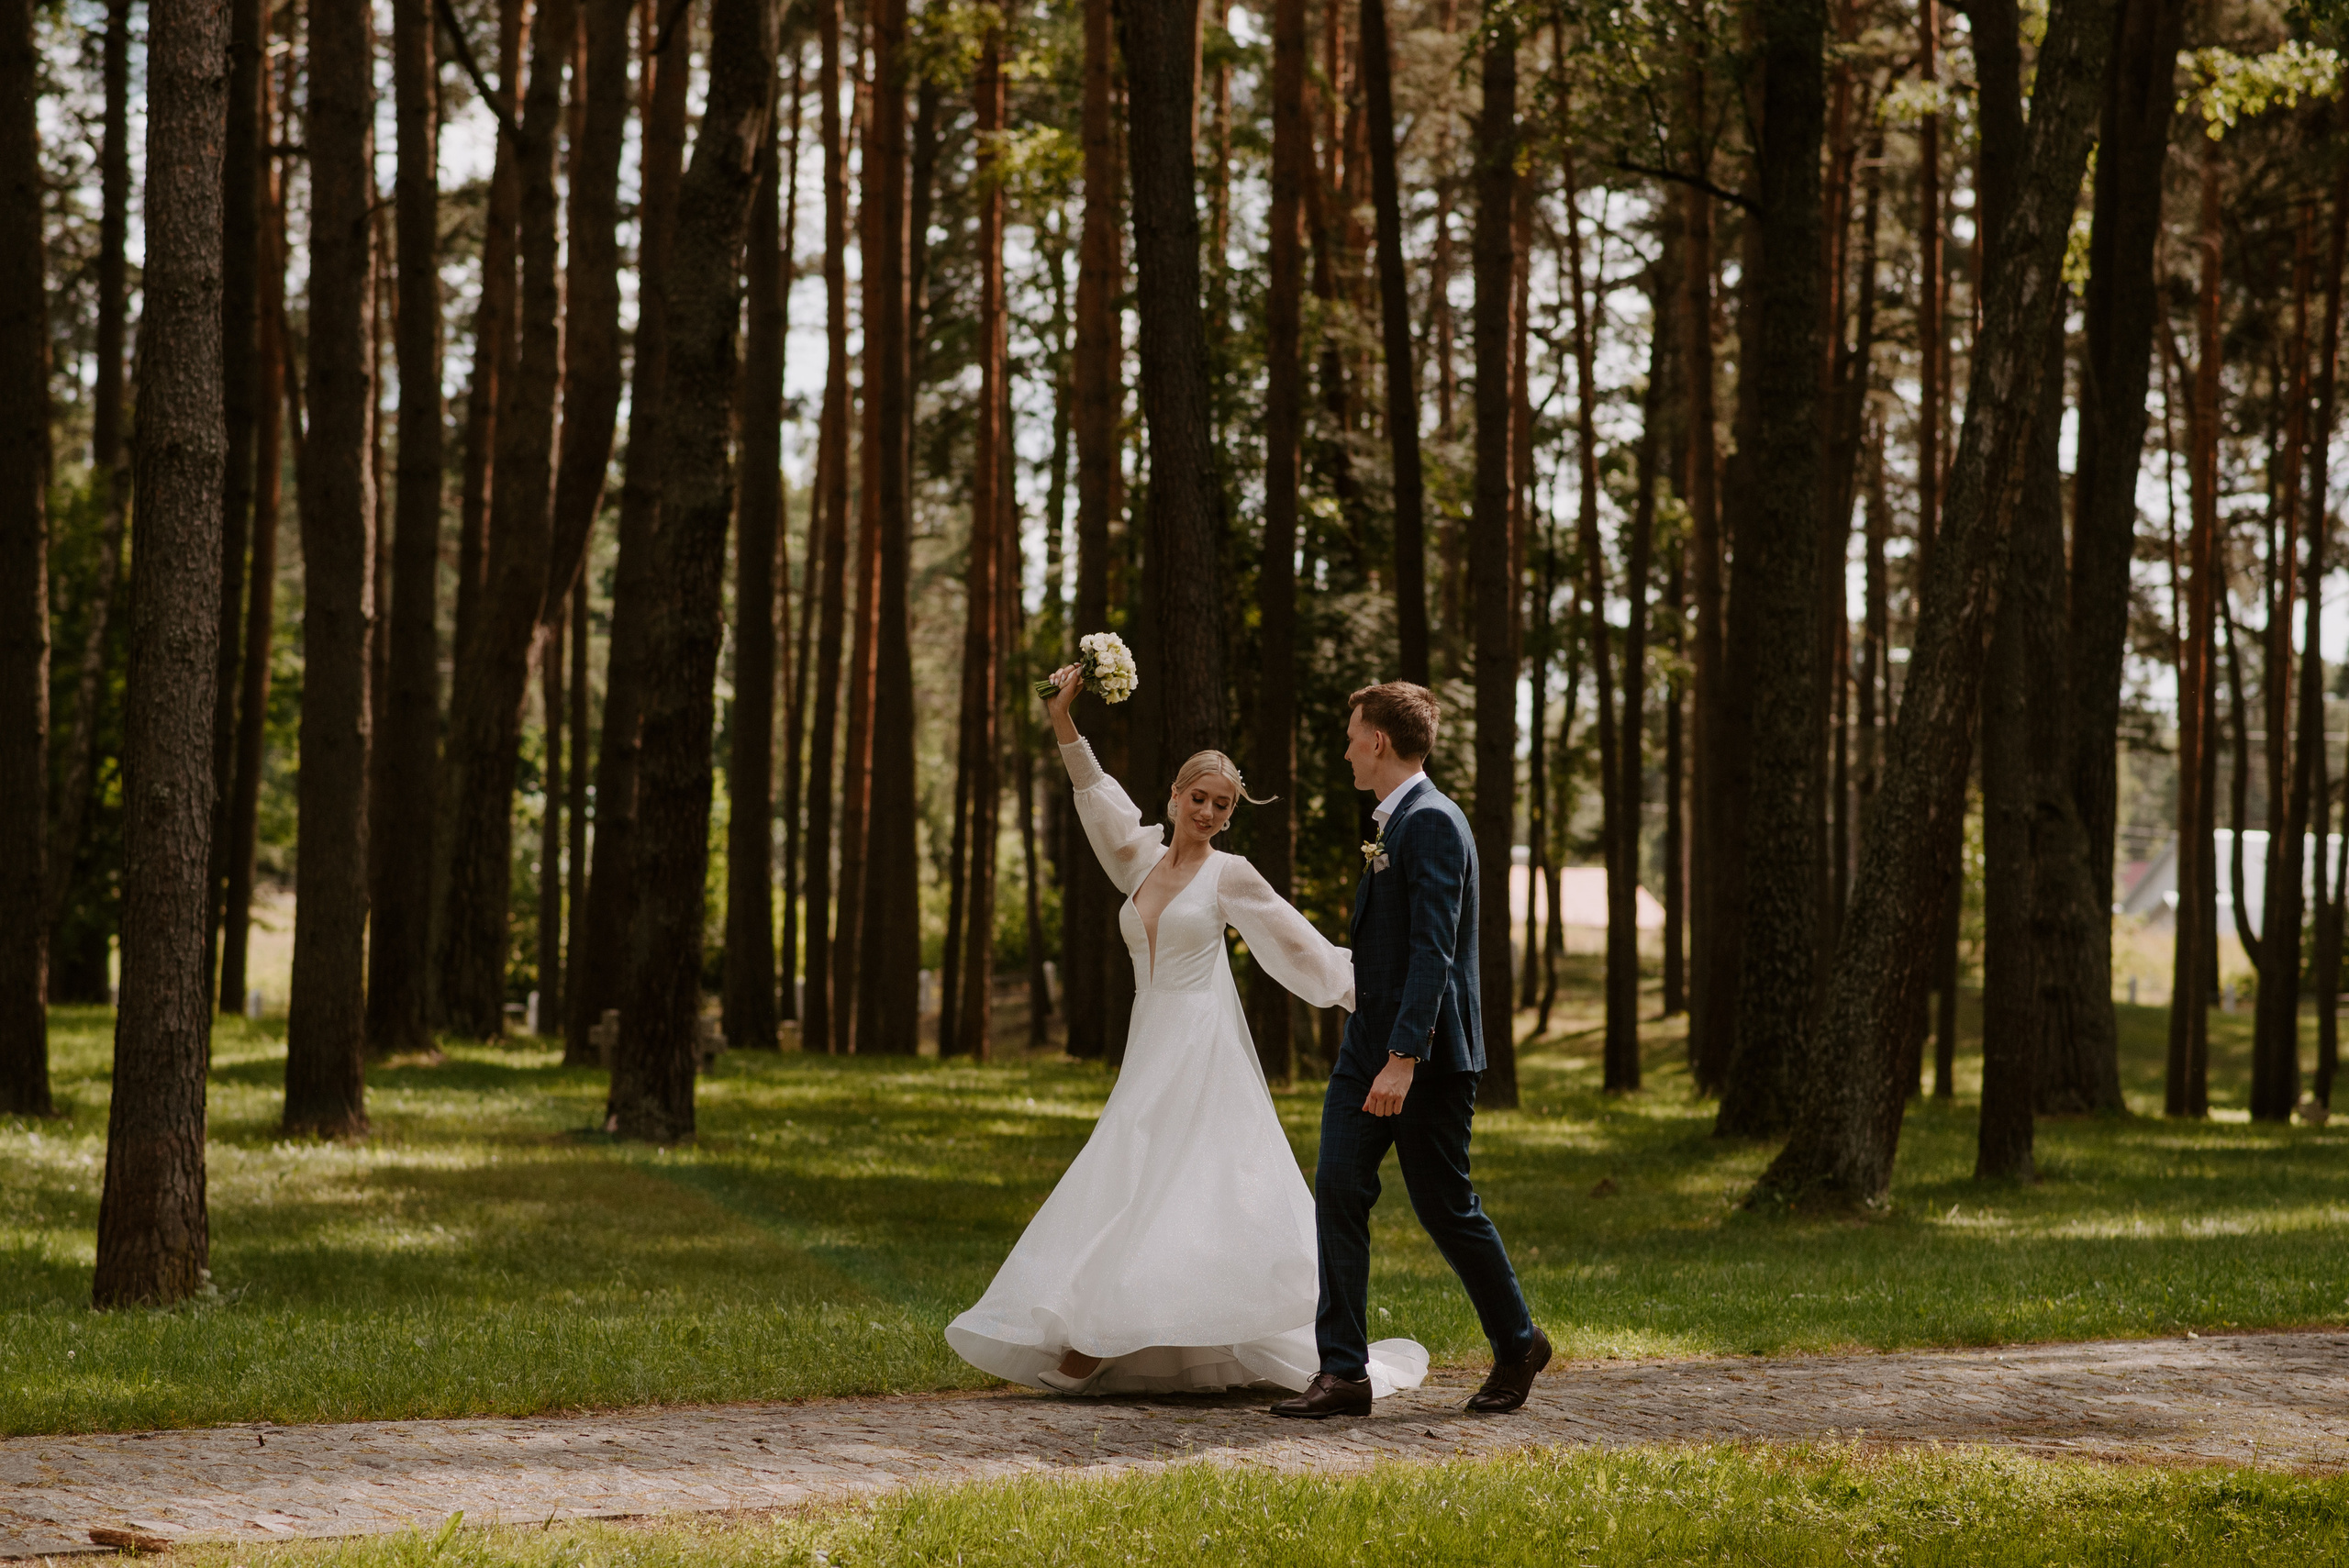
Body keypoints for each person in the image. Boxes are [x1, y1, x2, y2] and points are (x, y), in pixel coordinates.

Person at [943, 665, 1428, 1398]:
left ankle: (1090, 1341)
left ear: (1230, 815)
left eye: (1221, 805)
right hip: (1150, 1038)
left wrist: (1376, 993)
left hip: (1202, 1047)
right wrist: (1061, 718)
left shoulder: (1230, 874)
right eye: (1196, 797)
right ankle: (1116, 1330)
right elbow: (1097, 799)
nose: (1206, 811)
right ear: (1173, 796)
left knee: (1168, 1179)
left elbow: (1297, 947)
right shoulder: (1137, 859)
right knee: (1134, 1176)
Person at [1270, 682, 1550, 1420]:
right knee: (1337, 1189)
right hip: (1367, 1046)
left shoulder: (1430, 823)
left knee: (1446, 1207)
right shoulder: (1395, 822)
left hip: (1422, 1058)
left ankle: (1519, 1340)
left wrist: (1403, 1056)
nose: (1345, 749)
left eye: (1352, 733)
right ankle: (1343, 1373)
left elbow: (1435, 950)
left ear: (1380, 742)